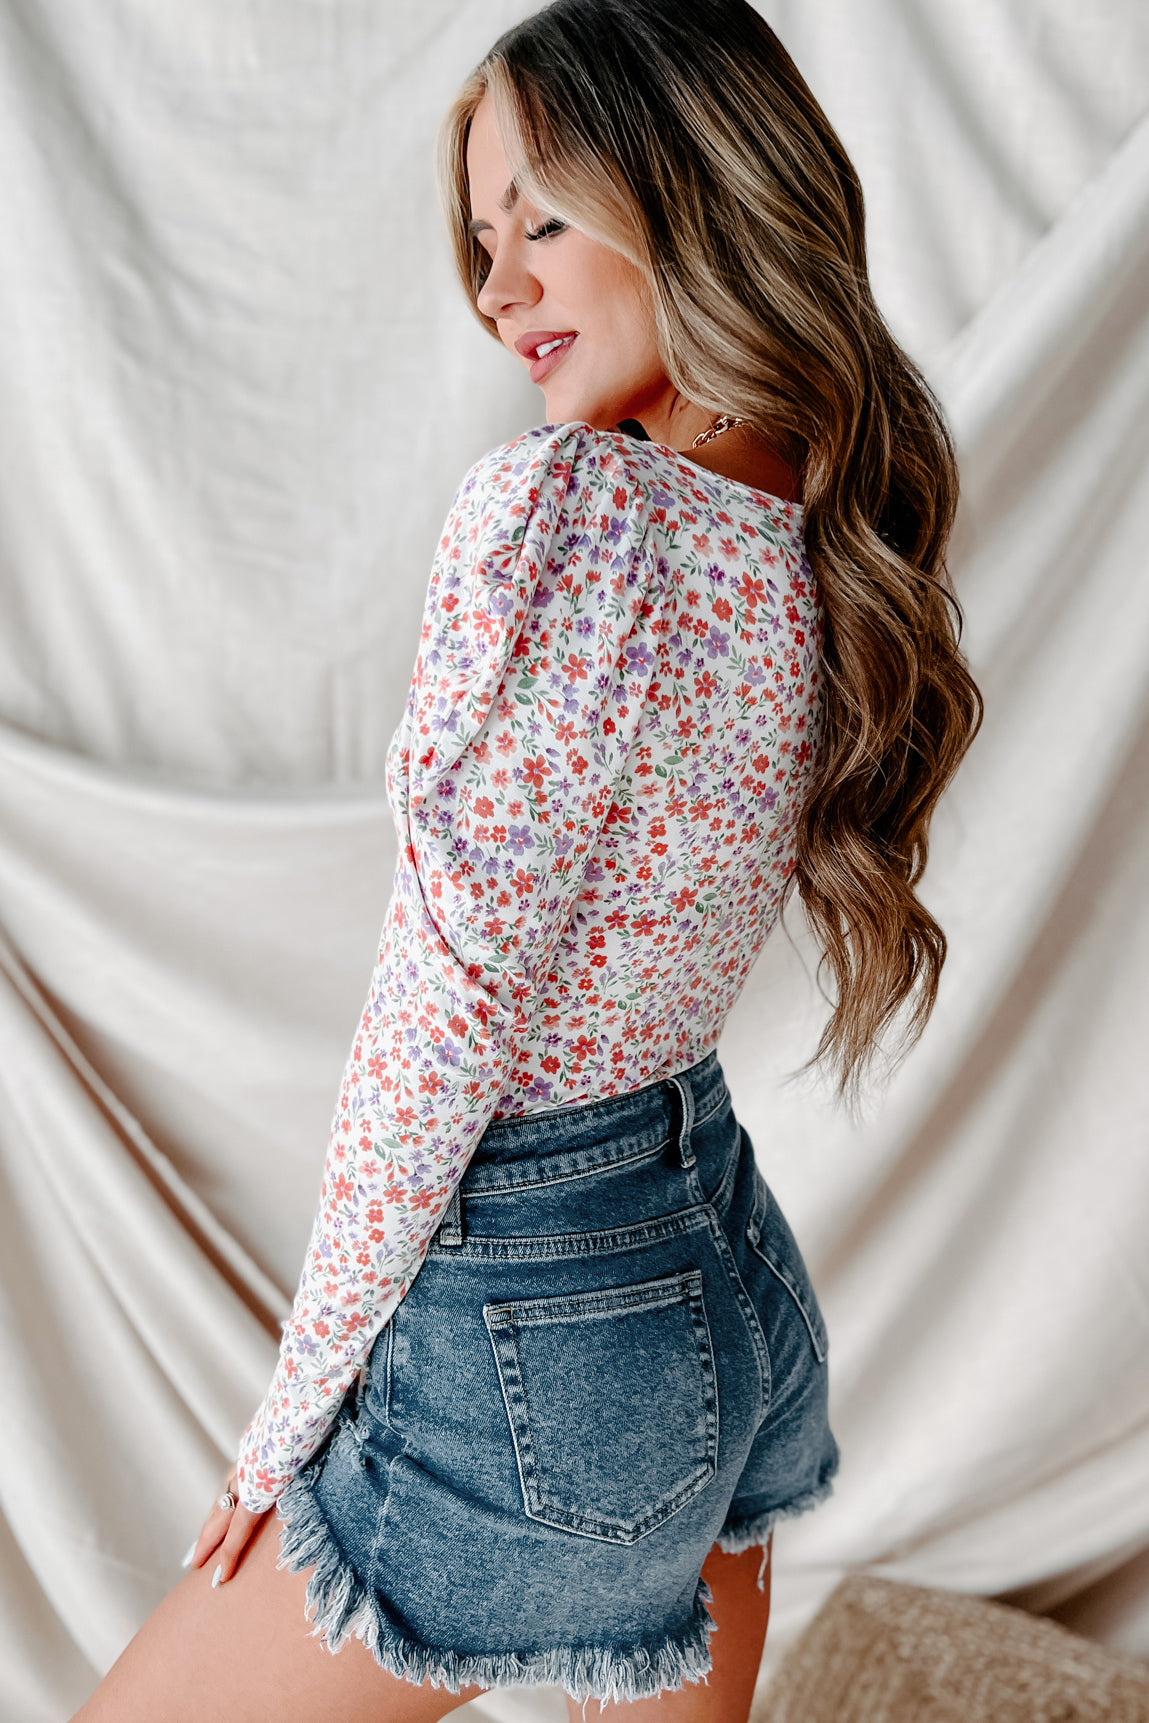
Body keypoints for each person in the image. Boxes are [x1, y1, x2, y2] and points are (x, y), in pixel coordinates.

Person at [73, 1, 981, 1719]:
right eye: (482, 242)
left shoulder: (571, 518)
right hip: (717, 1265)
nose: (497, 292)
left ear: (692, 190)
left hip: (539, 1320)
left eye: (540, 223)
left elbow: (445, 1018)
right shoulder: (808, 529)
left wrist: (286, 1419)